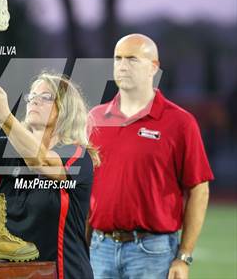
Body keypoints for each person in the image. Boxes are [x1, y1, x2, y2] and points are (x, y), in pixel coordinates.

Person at [0, 71, 99, 279]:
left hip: (63, 273)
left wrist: (4, 116)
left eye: (45, 97)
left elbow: (39, 160)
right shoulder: (9, 148)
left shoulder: (77, 155)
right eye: (31, 96)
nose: (34, 101)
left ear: (66, 109)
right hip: (16, 273)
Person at [87, 34, 214, 279]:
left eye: (132, 59)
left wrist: (184, 256)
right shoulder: (94, 119)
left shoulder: (180, 122)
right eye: (118, 58)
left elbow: (199, 189)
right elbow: (86, 189)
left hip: (152, 251)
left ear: (153, 68)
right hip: (98, 247)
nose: (122, 65)